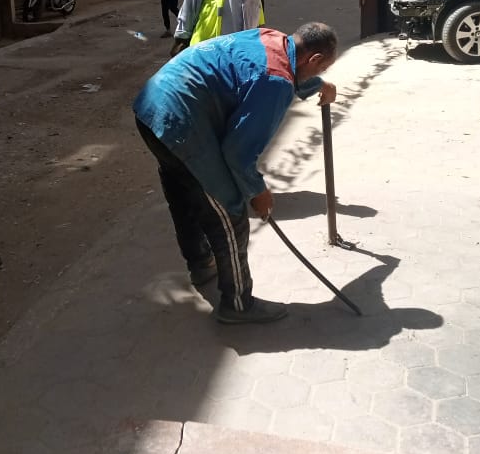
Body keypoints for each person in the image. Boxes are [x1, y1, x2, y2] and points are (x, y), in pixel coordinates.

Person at [134, 22, 338, 324]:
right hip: (181, 122)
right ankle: (238, 303)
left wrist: (317, 84)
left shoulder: (272, 38)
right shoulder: (277, 81)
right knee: (230, 212)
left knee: (183, 192)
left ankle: (201, 264)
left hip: (151, 107)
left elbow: (273, 72)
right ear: (315, 58)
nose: (318, 72)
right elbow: (238, 154)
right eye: (321, 68)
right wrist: (258, 192)